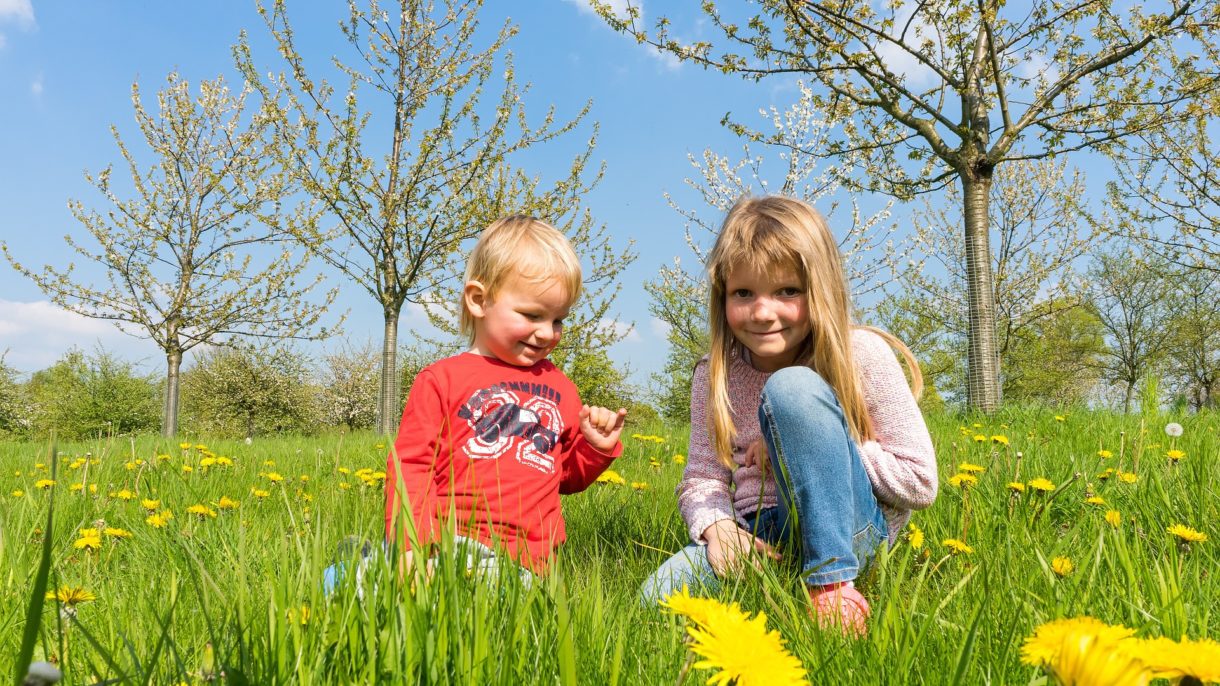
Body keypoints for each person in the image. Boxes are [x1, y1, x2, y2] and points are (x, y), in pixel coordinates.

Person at [639, 196, 937, 635]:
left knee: (792, 389)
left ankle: (832, 585)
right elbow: (702, 478)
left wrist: (812, 441)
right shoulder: (713, 373)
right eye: (744, 293)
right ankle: (784, 579)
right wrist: (719, 528)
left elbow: (920, 482)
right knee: (656, 601)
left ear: (821, 289)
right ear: (723, 295)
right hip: (760, 534)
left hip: (852, 530)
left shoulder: (863, 355)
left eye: (787, 291)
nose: (763, 312)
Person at [382, 215, 628, 581]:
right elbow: (410, 468)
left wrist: (595, 448)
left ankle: (365, 570)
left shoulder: (560, 387)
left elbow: (566, 477)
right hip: (448, 546)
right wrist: (411, 546)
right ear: (479, 300)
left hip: (529, 564)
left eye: (558, 320)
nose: (547, 333)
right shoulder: (441, 380)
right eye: (532, 315)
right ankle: (371, 569)